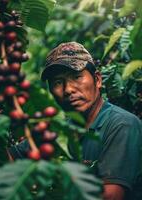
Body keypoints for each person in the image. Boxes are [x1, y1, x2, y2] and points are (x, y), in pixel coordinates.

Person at [9, 42, 142, 200]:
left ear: (97, 80)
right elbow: (8, 158)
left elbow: (110, 196)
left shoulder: (121, 124)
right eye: (58, 82)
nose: (68, 89)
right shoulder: (60, 129)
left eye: (77, 77)